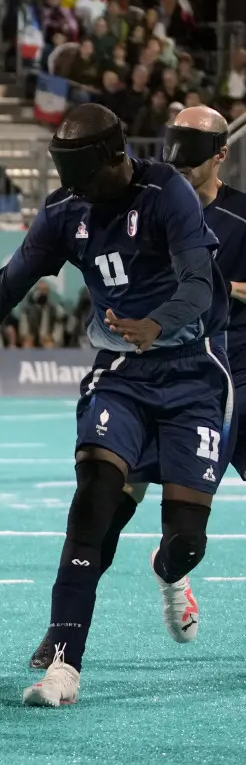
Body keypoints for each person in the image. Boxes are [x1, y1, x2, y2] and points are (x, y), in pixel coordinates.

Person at [0, 103, 233, 707]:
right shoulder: (65, 206)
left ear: (116, 157)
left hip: (193, 379)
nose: (72, 189)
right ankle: (64, 663)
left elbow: (198, 283)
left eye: (82, 175)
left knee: (187, 540)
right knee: (93, 504)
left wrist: (156, 325)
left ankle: (169, 568)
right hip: (120, 375)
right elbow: (15, 274)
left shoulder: (168, 192)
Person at [28, 105, 246, 670]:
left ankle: (172, 570)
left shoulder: (241, 219)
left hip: (225, 377)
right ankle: (62, 632)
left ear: (220, 153)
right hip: (144, 375)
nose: (179, 153)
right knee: (105, 509)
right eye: (174, 139)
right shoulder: (140, 200)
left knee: (185, 538)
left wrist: (226, 287)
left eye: (193, 143)